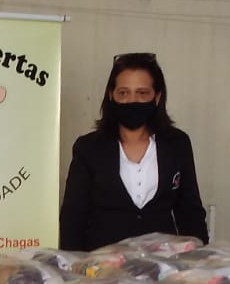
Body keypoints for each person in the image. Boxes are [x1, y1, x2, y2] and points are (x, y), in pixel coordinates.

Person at [58, 53, 208, 251]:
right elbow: (72, 218)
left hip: (162, 262)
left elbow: (190, 212)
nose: (132, 100)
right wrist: (74, 264)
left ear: (157, 96)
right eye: (123, 93)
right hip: (102, 264)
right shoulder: (88, 148)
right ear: (111, 95)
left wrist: (201, 260)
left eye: (142, 93)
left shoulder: (177, 144)